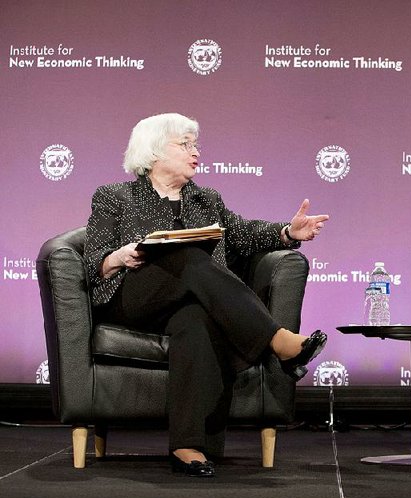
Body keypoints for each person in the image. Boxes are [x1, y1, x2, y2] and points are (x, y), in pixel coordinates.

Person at [84, 112, 330, 478]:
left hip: (187, 304)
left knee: (195, 319)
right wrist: (121, 256)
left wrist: (287, 233)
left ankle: (188, 446)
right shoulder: (114, 197)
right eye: (184, 145)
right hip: (133, 298)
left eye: (195, 144)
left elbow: (244, 234)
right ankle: (276, 340)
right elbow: (93, 266)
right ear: (153, 152)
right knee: (186, 253)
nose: (195, 151)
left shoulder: (206, 199)